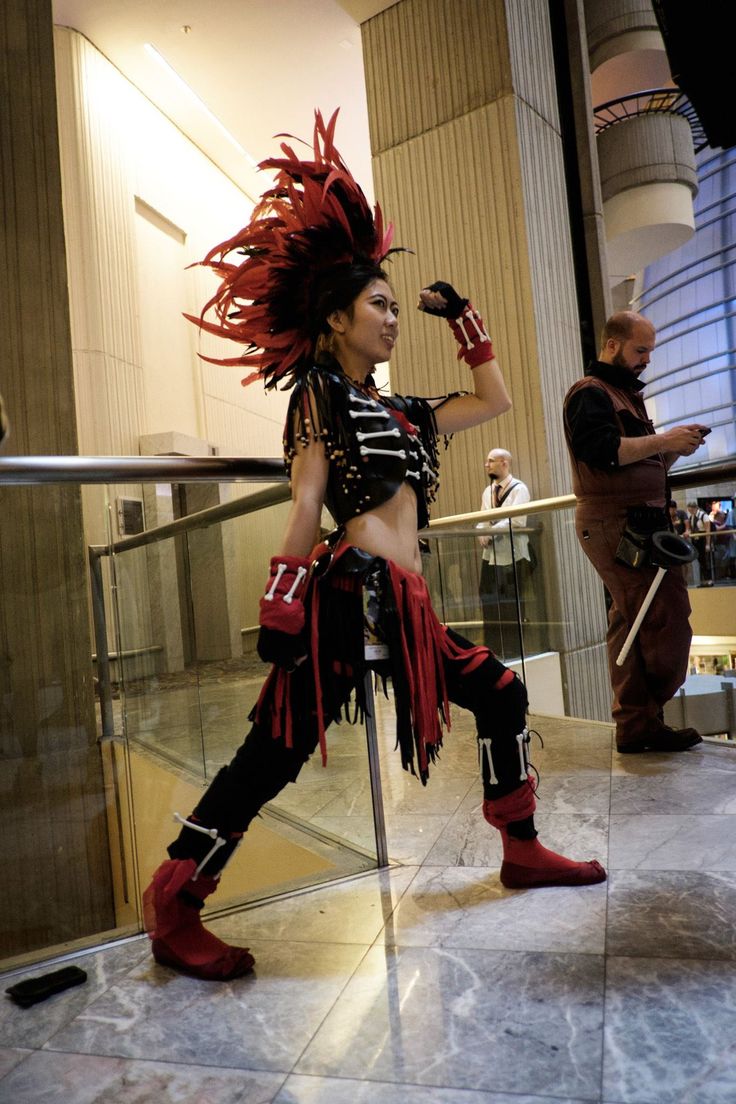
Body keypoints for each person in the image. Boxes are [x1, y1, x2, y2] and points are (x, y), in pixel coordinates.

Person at [144, 111, 605, 983]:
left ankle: (521, 848)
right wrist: (280, 594)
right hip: (346, 601)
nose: (393, 319)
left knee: (502, 694)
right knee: (273, 755)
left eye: (395, 306)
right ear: (334, 318)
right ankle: (174, 902)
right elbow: (308, 497)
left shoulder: (405, 412)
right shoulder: (320, 392)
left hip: (410, 610)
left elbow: (494, 400)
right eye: (379, 306)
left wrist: (462, 316)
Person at [563, 310, 708, 754]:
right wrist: (665, 441)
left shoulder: (621, 394)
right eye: (640, 349)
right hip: (616, 524)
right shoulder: (591, 393)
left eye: (650, 350)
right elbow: (603, 452)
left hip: (634, 521)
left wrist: (675, 450)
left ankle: (637, 725)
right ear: (612, 345)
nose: (647, 359)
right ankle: (643, 719)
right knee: (662, 617)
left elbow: (634, 462)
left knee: (634, 621)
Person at [476, 448, 533, 654]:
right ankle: (493, 649)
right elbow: (483, 517)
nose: (487, 465)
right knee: (488, 600)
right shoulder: (487, 491)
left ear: (504, 463)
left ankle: (513, 650)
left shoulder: (520, 489)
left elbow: (517, 520)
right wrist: (481, 531)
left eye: (491, 461)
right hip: (490, 556)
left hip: (512, 555)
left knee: (511, 603)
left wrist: (490, 531)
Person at [687, 500, 713, 586]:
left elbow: (708, 530)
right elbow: (691, 529)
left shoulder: (703, 515)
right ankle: (703, 581)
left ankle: (709, 580)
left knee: (705, 560)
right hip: (696, 541)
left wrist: (708, 544)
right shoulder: (692, 517)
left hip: (703, 540)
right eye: (689, 510)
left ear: (695, 508)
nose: (690, 512)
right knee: (700, 561)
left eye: (691, 510)